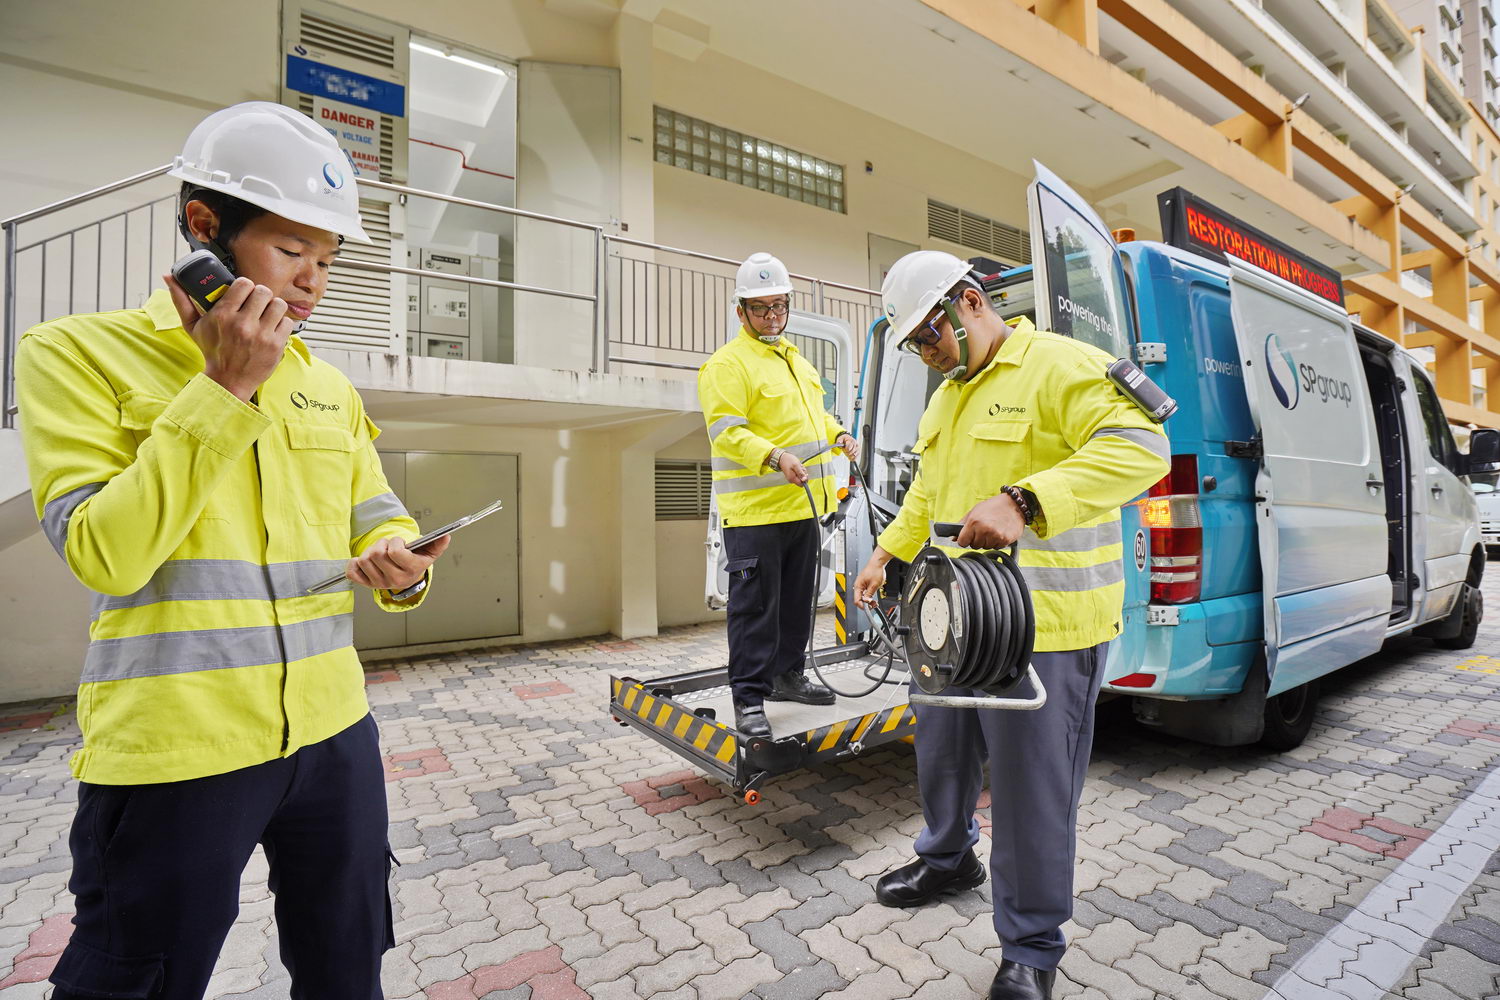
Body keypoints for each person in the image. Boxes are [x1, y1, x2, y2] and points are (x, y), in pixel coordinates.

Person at [15, 102, 450, 999]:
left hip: (333, 733)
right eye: (291, 252)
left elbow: (375, 511)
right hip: (178, 746)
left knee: (347, 963)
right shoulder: (75, 356)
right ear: (206, 229)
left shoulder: (324, 383)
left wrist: (399, 561)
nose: (313, 282)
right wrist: (225, 385)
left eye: (326, 260)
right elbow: (104, 552)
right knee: (140, 978)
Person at [853, 250, 1169, 1000]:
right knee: (942, 751)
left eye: (929, 337)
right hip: (954, 623)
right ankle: (946, 858)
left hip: (1047, 631)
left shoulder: (1061, 366)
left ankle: (1030, 946)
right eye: (915, 348)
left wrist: (1025, 502)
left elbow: (1143, 448)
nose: (926, 356)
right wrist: (884, 553)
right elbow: (928, 493)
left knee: (1030, 795)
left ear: (968, 303)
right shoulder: (948, 397)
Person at [697, 252, 860, 738]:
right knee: (755, 608)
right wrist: (773, 457)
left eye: (779, 307)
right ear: (740, 310)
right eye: (761, 308)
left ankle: (788, 676)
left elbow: (814, 419)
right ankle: (748, 697)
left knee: (796, 601)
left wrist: (839, 435)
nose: (772, 317)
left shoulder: (797, 362)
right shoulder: (727, 366)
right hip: (755, 513)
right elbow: (726, 432)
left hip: (803, 507)